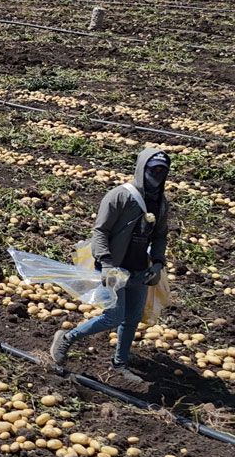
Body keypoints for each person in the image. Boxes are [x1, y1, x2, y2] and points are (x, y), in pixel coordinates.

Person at [50, 149, 171, 385]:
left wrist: (157, 262)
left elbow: (160, 236)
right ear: (142, 169)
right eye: (153, 170)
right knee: (113, 317)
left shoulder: (160, 202)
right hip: (113, 269)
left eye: (162, 171)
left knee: (132, 317)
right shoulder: (119, 196)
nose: (157, 175)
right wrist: (105, 263)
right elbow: (100, 231)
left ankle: (120, 363)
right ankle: (67, 337)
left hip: (139, 270)